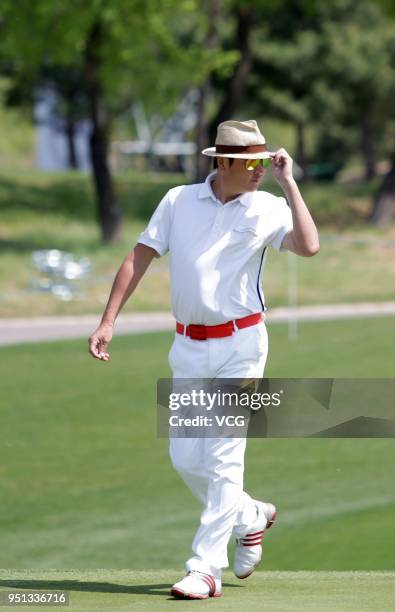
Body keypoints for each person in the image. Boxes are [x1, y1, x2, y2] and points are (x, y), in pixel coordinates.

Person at [88, 119, 319, 600]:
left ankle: (205, 568)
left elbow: (309, 246)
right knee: (185, 458)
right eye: (250, 162)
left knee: (222, 455)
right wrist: (109, 320)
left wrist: (289, 183)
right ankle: (250, 516)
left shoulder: (268, 205)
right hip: (189, 347)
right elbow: (139, 256)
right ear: (223, 162)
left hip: (242, 345)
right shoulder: (178, 201)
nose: (259, 169)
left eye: (262, 160)